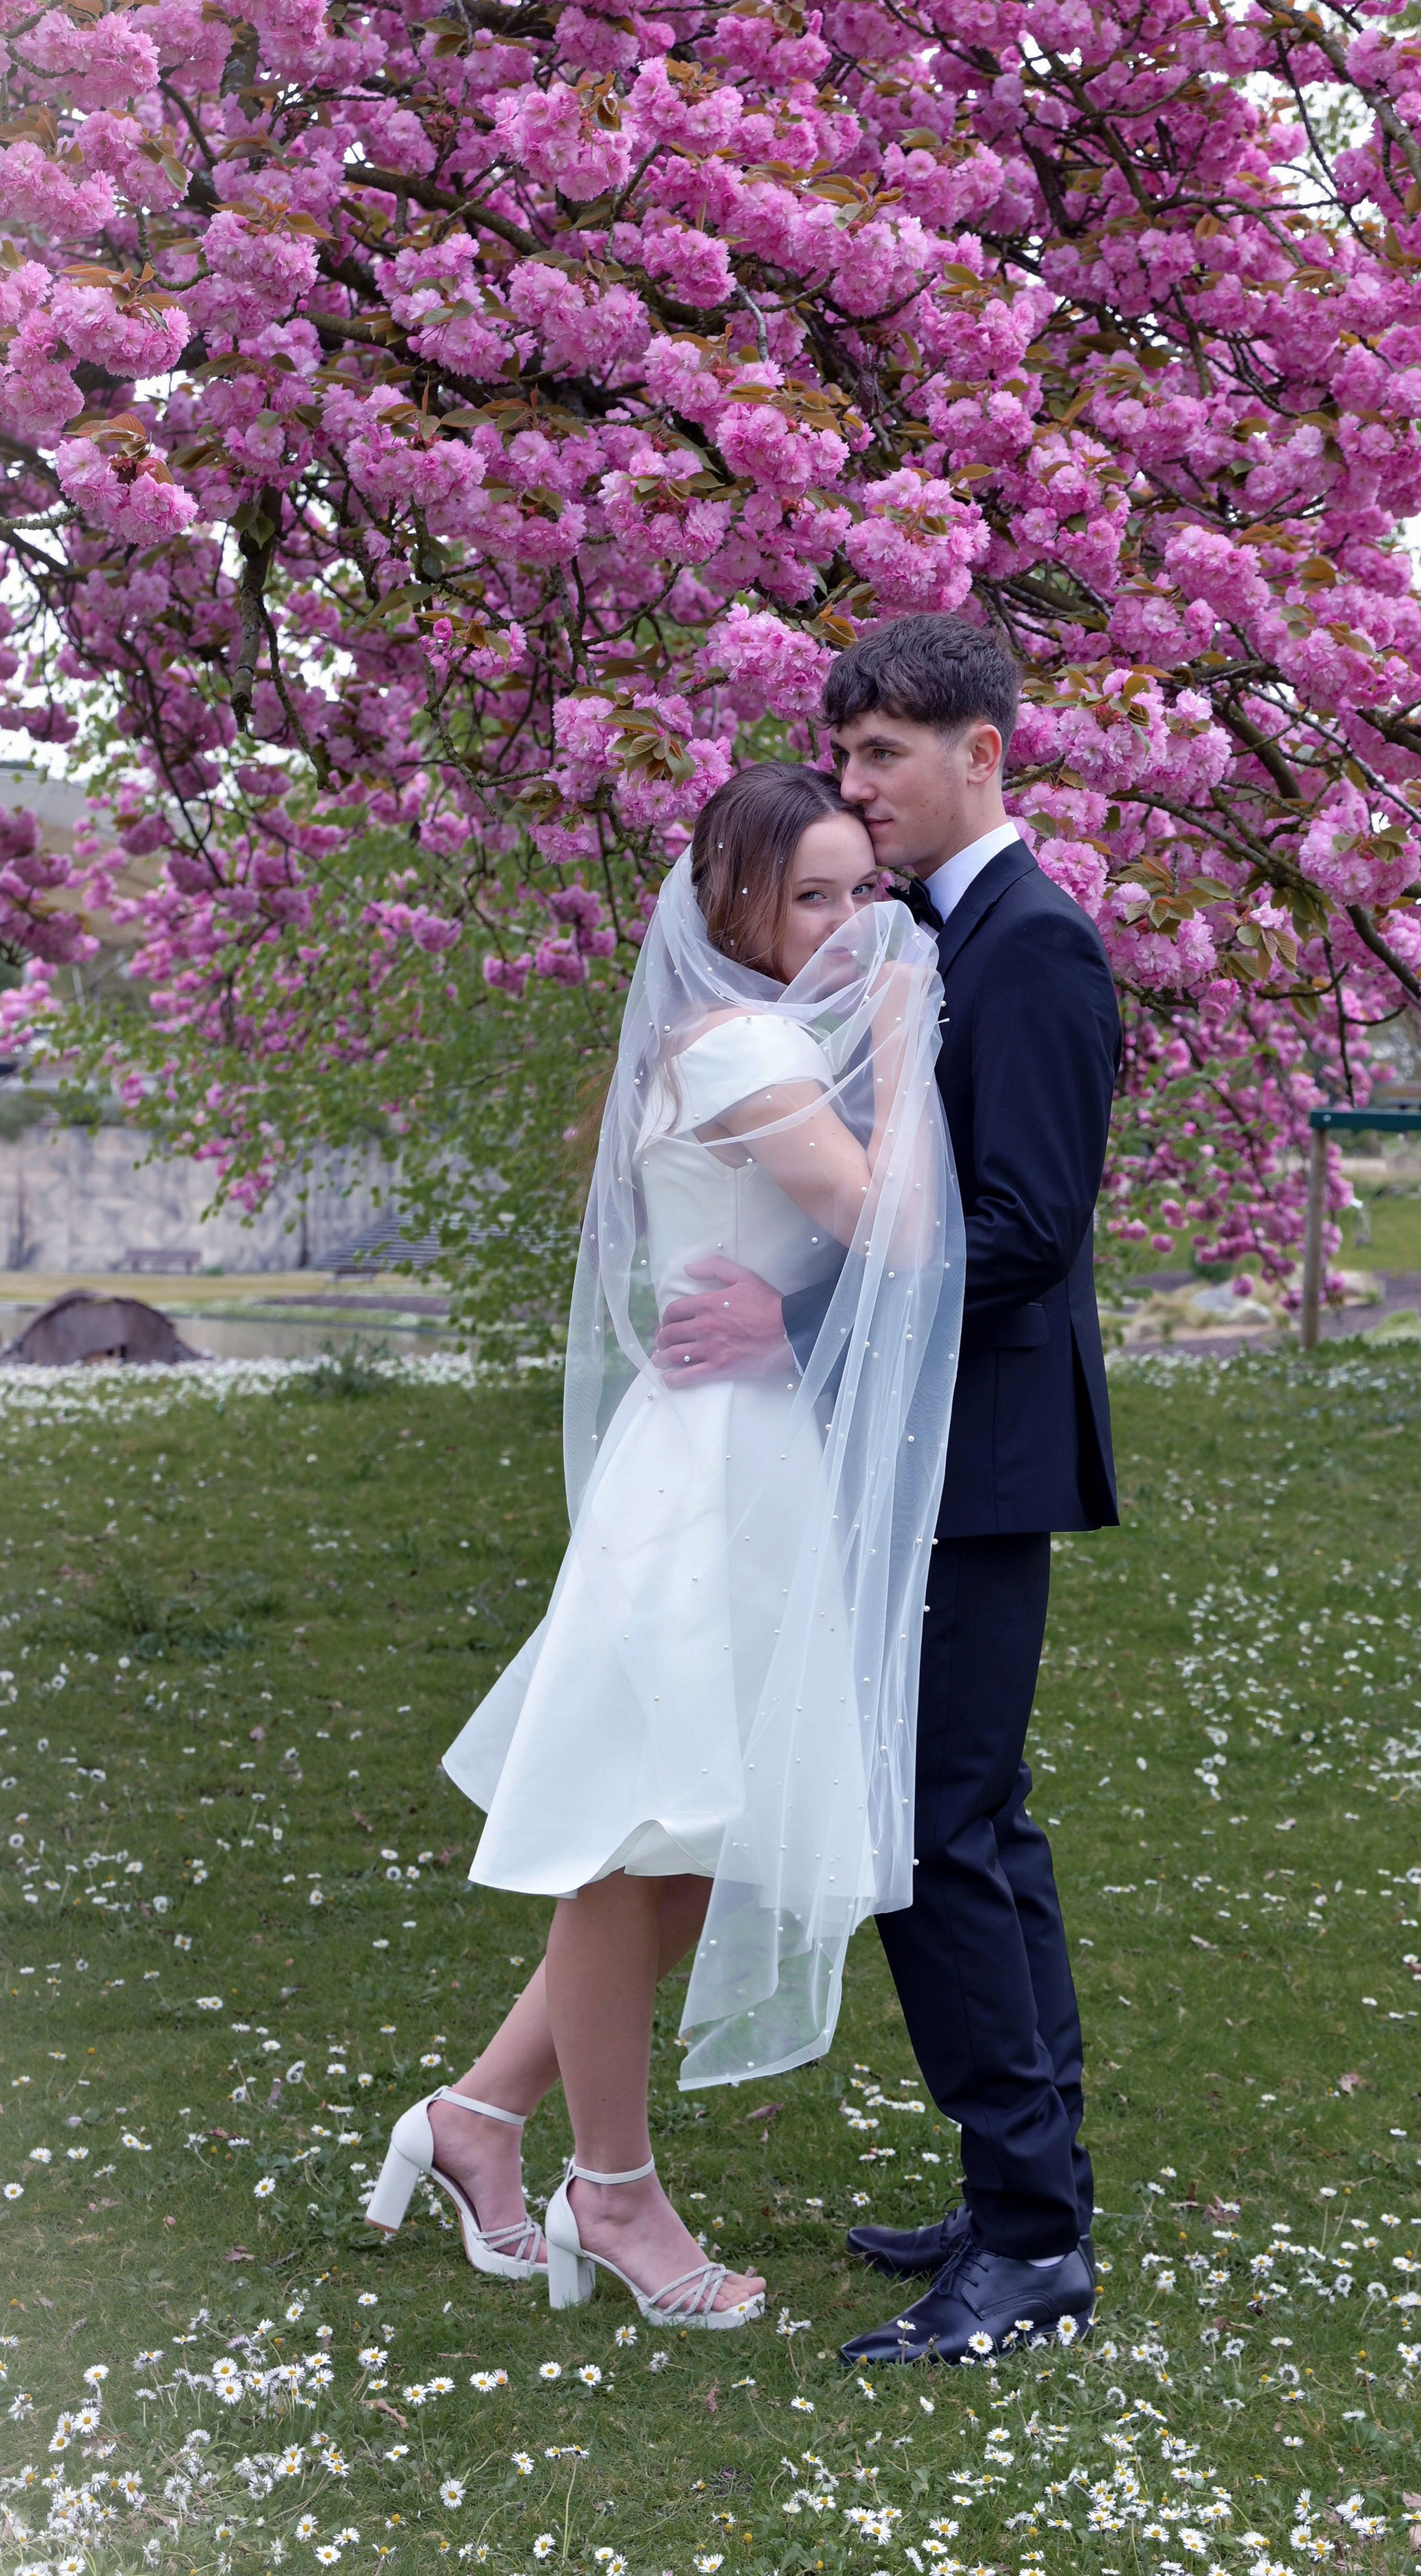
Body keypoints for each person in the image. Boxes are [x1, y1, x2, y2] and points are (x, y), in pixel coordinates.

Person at [364, 760, 963, 2329]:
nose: (848, 925)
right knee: (642, 1837)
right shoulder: (746, 1044)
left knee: (689, 1840)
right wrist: (899, 1048)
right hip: (709, 1477)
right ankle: (612, 2192)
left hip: (734, 1457)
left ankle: (479, 2118)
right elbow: (896, 1228)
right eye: (811, 897)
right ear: (735, 907)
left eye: (863, 892)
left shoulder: (740, 1036)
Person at [654, 616, 1121, 2364]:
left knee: (933, 1836)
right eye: (839, 757)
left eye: (880, 760)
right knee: (973, 1825)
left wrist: (783, 1314)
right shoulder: (933, 937)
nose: (851, 789)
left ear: (983, 751)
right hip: (921, 1442)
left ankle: (1028, 2244)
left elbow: (1018, 1237)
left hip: (976, 1454)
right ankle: (1025, 2189)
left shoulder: (1036, 950)